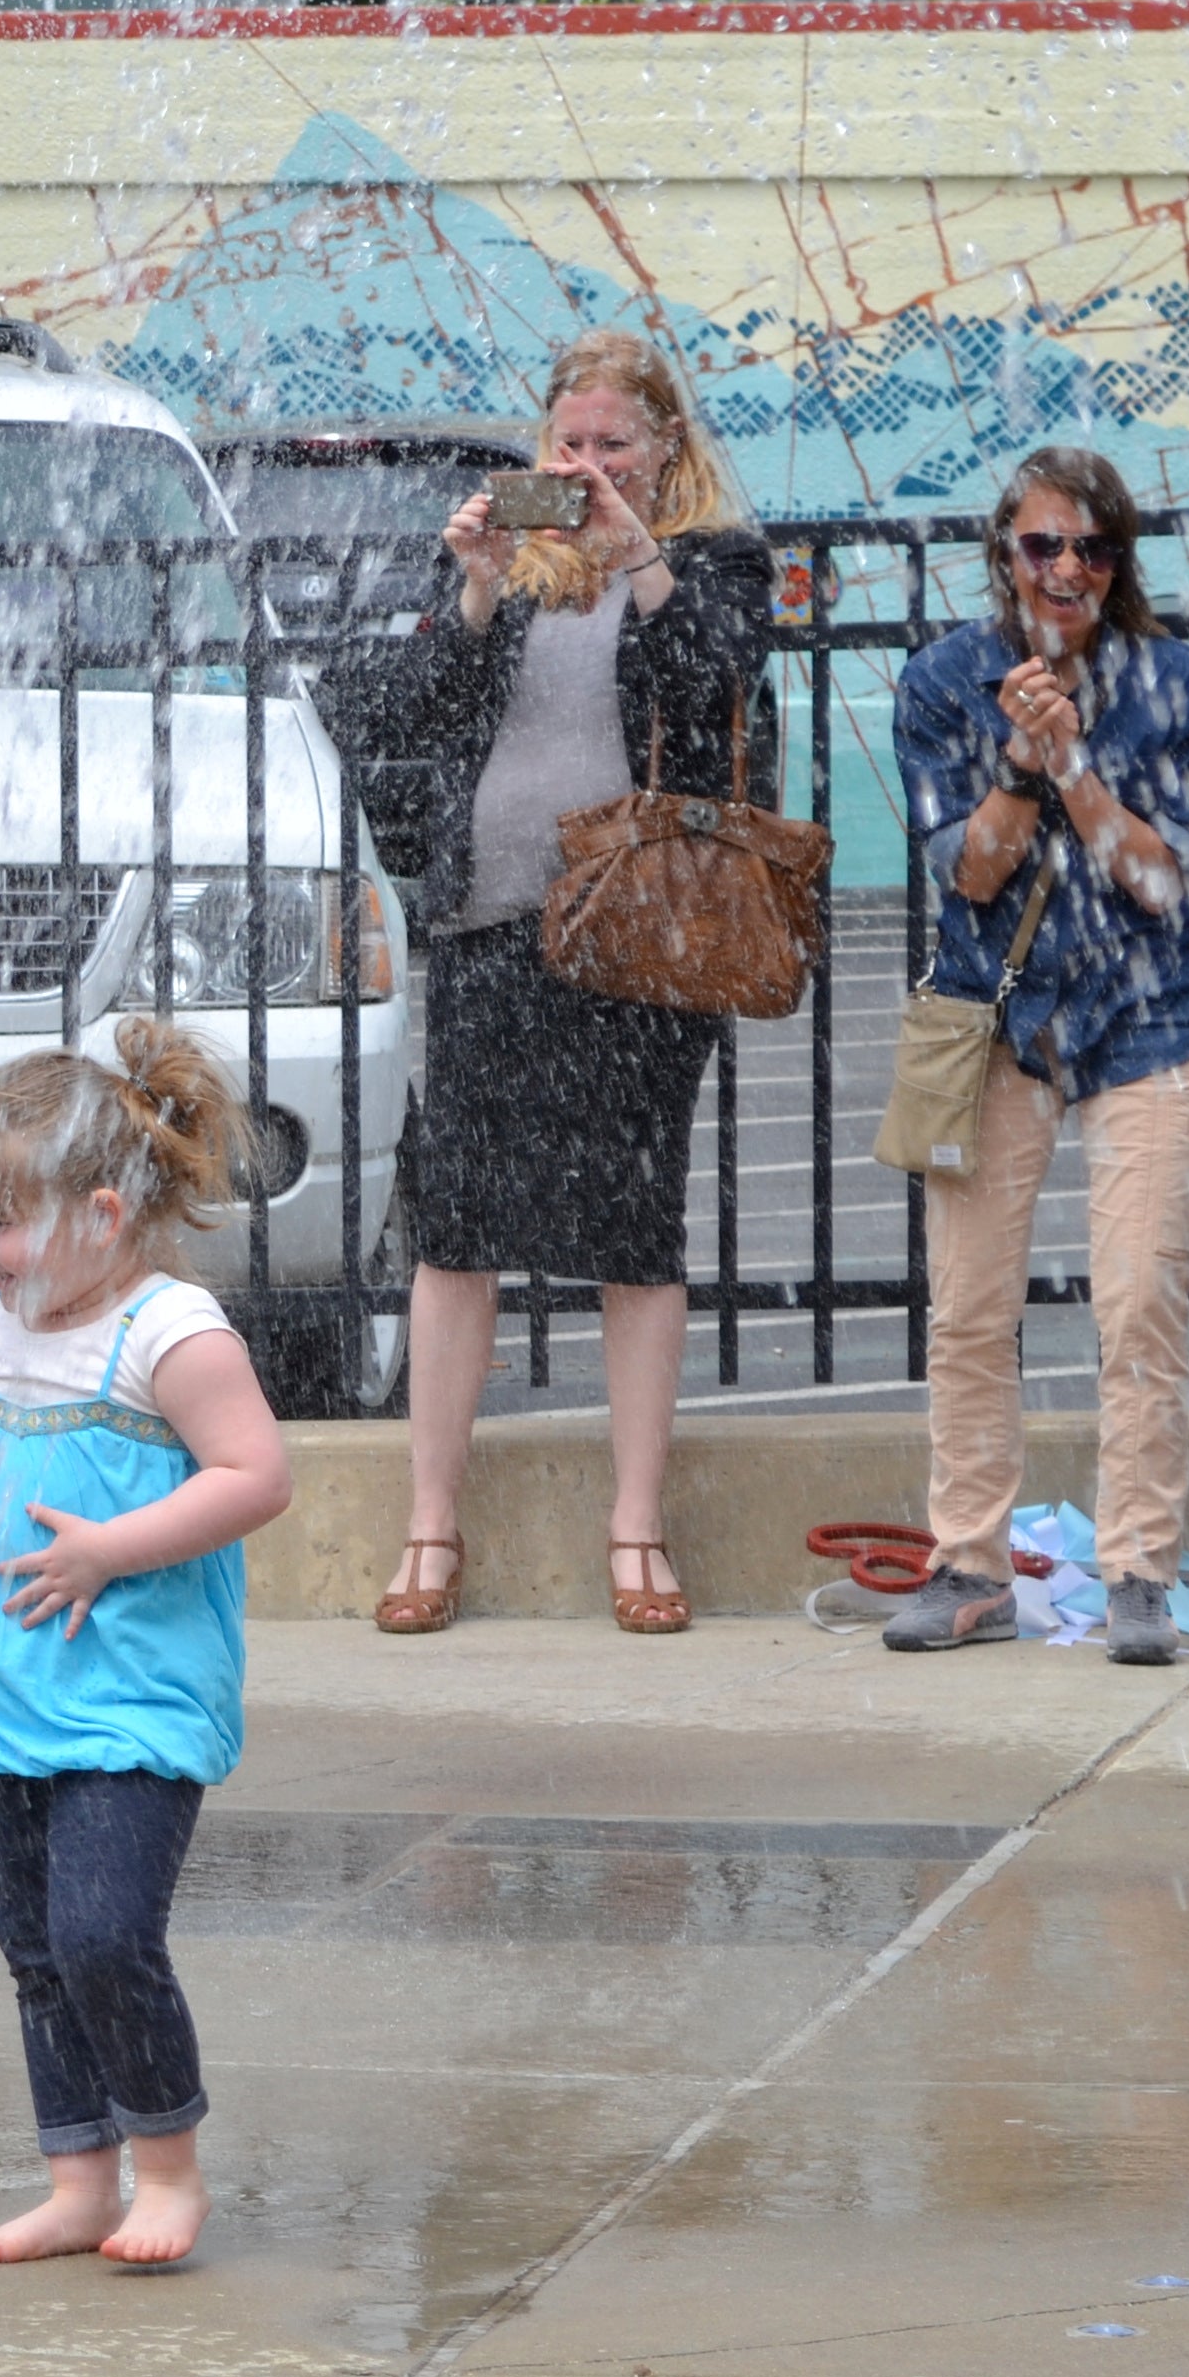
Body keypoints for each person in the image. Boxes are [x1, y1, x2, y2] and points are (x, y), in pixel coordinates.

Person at [365, 330, 774, 1639]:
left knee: (633, 1222)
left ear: (664, 451)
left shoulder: (713, 560)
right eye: (570, 445)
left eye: (614, 446)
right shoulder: (502, 560)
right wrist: (479, 587)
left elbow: (711, 683)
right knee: (460, 1222)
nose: (588, 467)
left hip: (641, 935)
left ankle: (636, 1526)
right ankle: (431, 1527)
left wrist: (637, 551)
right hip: (492, 927)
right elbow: (406, 718)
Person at [0, 1025, 294, 2267]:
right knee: (35, 1954)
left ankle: (167, 2172)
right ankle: (78, 2180)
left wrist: (111, 1550)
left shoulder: (169, 1335)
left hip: (130, 1696)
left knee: (102, 1935)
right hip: (6, 1695)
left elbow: (257, 1477)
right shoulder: (7, 1315)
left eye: (1, 1221)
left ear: (104, 1209)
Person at [879, 448, 1189, 1666]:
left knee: (1137, 1304)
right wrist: (1022, 761)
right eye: (1042, 546)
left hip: (1152, 1023)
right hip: (999, 1021)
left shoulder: (1175, 682)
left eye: (1091, 549)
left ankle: (1137, 1568)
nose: (1066, 570)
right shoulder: (945, 683)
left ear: (1119, 565)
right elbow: (971, 872)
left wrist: (1076, 760)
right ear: (1006, 555)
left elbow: (1160, 886)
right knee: (970, 1311)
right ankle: (969, 1565)